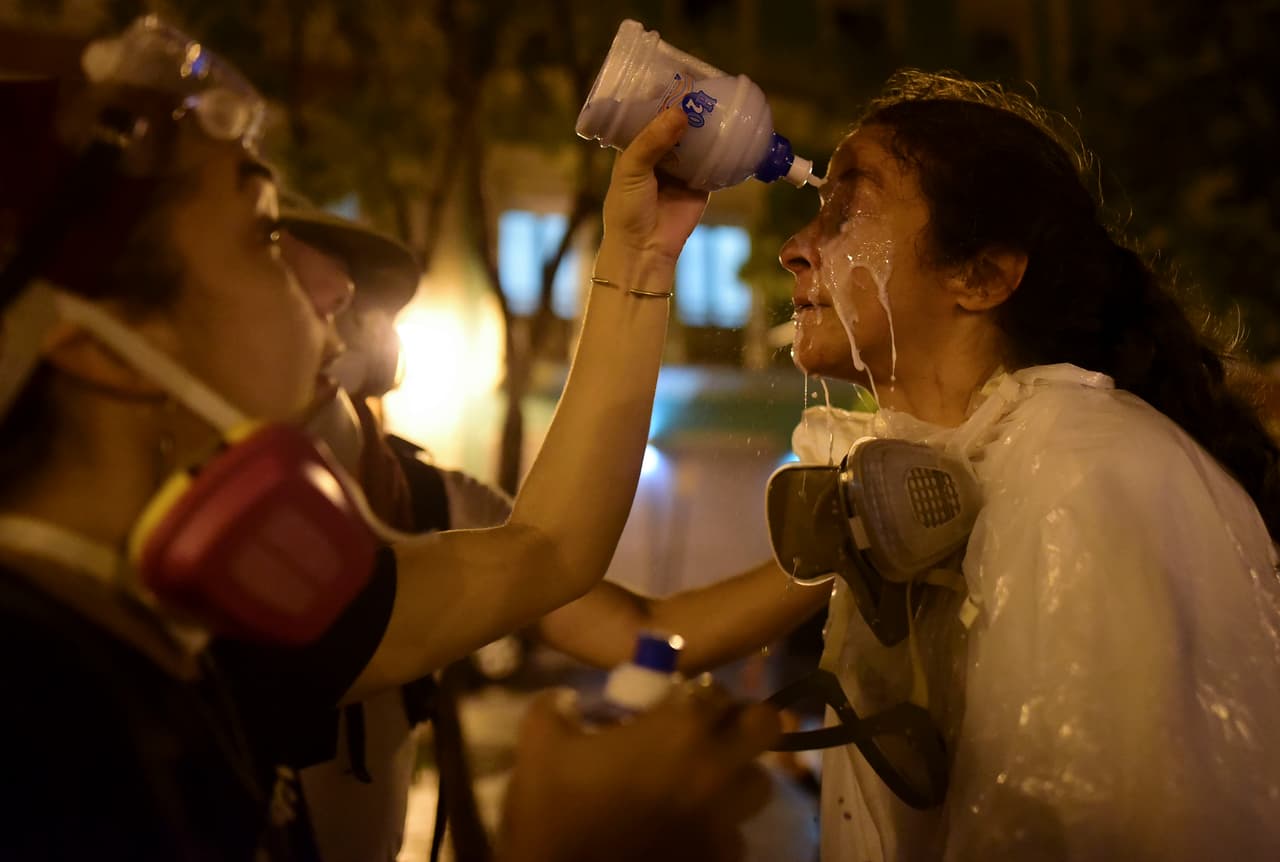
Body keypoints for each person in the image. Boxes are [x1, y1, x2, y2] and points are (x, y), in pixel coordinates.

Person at [0, 18, 778, 861]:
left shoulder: (195, 616)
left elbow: (549, 550)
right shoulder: (31, 711)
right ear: (96, 348)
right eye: (264, 234)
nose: (326, 283)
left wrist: (640, 258)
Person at [776, 69, 1280, 860]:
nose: (793, 253)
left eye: (847, 209)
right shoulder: (942, 472)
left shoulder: (1083, 471)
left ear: (981, 276)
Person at [277, 208, 829, 861]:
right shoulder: (208, 573)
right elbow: (553, 547)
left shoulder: (424, 498)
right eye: (266, 246)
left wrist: (845, 545)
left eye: (358, 295)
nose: (342, 294)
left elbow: (640, 627)